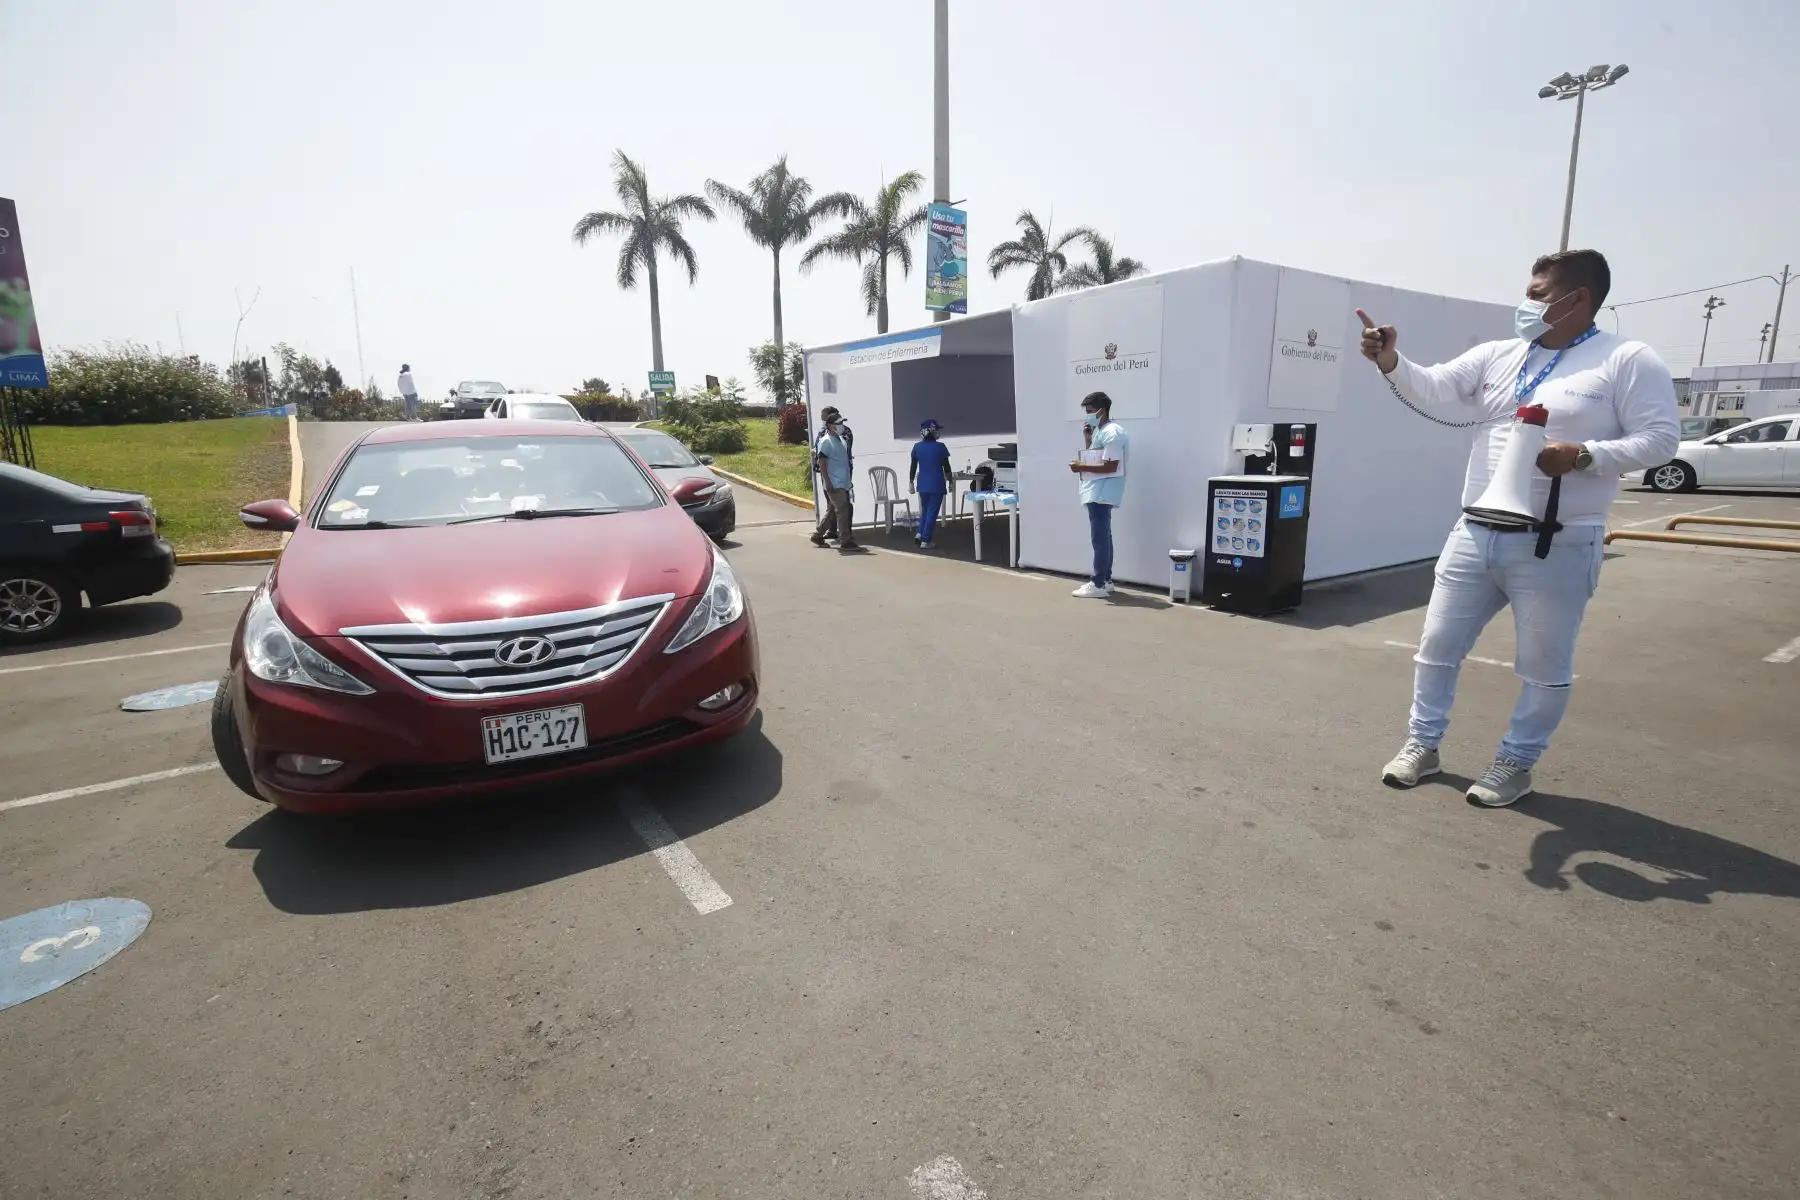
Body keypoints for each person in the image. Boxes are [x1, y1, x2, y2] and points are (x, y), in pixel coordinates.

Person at [1360, 249, 1678, 807]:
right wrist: (1391, 359)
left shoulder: (1626, 359)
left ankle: (1517, 761)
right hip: (1475, 530)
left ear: (1577, 298)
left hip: (1558, 539)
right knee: (1436, 646)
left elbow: (1659, 441)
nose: (1525, 302)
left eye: (1537, 292)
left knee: (1542, 666)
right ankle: (1423, 745)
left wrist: (1583, 455)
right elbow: (1432, 386)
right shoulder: (1501, 354)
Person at [1067, 391, 1129, 598]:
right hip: (1096, 491)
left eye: (1091, 411)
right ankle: (1107, 580)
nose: (1088, 415)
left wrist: (1079, 466)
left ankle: (1098, 583)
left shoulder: (1113, 432)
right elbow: (1095, 458)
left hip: (1102, 492)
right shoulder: (1100, 431)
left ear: (1102, 410)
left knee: (1099, 538)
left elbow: (1110, 466)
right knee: (1104, 537)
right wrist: (1087, 439)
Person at [811, 412, 859, 550]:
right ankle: (846, 541)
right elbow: (821, 462)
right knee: (843, 510)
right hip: (834, 482)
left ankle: (817, 534)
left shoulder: (840, 439)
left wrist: (848, 481)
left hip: (842, 481)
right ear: (831, 426)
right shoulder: (826, 441)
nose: (841, 426)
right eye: (838, 424)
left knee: (832, 510)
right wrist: (827, 481)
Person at [908, 418, 954, 549]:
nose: (937, 432)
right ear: (930, 431)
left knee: (925, 511)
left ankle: (919, 533)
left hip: (922, 485)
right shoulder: (941, 447)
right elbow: (947, 468)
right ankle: (925, 540)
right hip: (937, 485)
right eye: (936, 430)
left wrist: (910, 482)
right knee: (932, 513)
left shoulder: (917, 447)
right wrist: (950, 482)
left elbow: (913, 466)